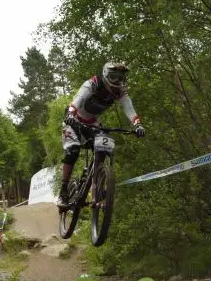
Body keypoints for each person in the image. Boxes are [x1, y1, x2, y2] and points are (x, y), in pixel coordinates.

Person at [57, 62, 146, 208]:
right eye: (113, 77)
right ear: (105, 75)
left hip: (92, 122)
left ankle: (95, 187)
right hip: (74, 119)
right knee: (73, 150)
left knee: (103, 148)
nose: (117, 81)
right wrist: (71, 114)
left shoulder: (120, 91)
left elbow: (128, 107)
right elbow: (78, 99)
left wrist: (137, 124)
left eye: (121, 78)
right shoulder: (93, 83)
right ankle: (63, 191)